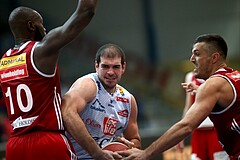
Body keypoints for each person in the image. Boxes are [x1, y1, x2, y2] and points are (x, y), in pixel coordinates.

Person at [0, 1, 98, 159]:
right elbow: (85, 13)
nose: (44, 29)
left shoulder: (4, 61)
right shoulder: (40, 51)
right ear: (31, 26)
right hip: (47, 140)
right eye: (41, 24)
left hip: (15, 146)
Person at [118, 34, 240, 160]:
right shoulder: (234, 76)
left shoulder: (213, 84)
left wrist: (146, 153)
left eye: (197, 54)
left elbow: (186, 126)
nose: (192, 59)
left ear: (214, 57)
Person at [61, 43, 142, 159]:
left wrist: (130, 146)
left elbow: (135, 140)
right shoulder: (88, 85)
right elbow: (66, 112)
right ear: (96, 66)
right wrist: (97, 153)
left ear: (123, 68)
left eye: (116, 67)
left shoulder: (128, 100)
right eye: (105, 66)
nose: (110, 72)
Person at [176, 71, 228, 160]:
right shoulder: (190, 77)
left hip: (216, 133)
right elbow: (188, 107)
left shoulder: (222, 77)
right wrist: (180, 135)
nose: (194, 58)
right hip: (197, 134)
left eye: (198, 55)